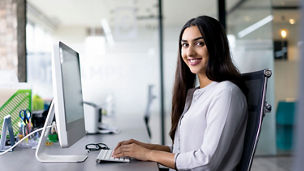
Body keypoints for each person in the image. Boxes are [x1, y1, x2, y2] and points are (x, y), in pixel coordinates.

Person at [112, 15, 248, 171]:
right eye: (185, 44)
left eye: (199, 43)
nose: (189, 52)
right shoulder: (197, 94)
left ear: (216, 46)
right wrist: (143, 148)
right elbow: (183, 153)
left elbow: (206, 161)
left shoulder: (226, 93)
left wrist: (149, 154)